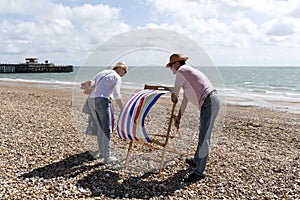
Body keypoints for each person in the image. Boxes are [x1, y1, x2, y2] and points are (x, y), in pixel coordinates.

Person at [166, 53, 221, 182]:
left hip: (209, 102)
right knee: (203, 134)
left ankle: (200, 171)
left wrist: (173, 96)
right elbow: (185, 99)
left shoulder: (182, 71)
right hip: (211, 101)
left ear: (177, 64)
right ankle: (197, 160)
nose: (171, 70)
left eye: (171, 66)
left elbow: (175, 95)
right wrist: (179, 116)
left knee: (204, 137)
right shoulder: (188, 75)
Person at [81, 61, 128, 164]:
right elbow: (116, 94)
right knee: (107, 129)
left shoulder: (103, 72)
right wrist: (122, 109)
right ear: (121, 69)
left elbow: (92, 84)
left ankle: (101, 153)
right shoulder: (116, 77)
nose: (124, 74)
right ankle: (107, 157)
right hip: (102, 101)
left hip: (91, 100)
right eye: (125, 71)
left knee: (99, 128)